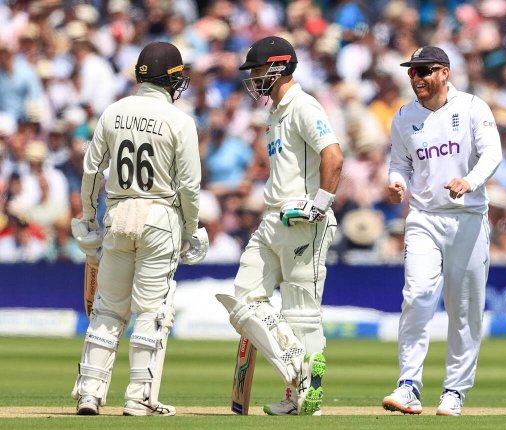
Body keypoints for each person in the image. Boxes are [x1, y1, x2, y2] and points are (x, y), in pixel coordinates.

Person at [70, 41, 206, 417]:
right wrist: (190, 230)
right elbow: (189, 187)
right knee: (151, 311)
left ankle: (89, 393)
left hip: (117, 214)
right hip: (160, 218)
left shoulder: (114, 112)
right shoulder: (180, 120)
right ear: (169, 79)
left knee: (108, 310)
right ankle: (139, 397)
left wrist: (87, 218)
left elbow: (92, 171)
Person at [216, 35, 343, 416]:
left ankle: (305, 397)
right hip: (273, 218)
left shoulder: (304, 105)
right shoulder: (275, 112)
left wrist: (319, 206)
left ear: (277, 67)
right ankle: (297, 370)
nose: (253, 78)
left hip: (304, 221)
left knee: (302, 311)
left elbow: (333, 157)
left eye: (256, 70)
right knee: (244, 299)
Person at [381, 46, 502, 416]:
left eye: (425, 71)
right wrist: (396, 182)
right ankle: (408, 386)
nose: (417, 78)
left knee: (464, 309)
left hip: (467, 218)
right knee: (417, 295)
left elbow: (492, 153)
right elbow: (399, 163)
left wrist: (468, 181)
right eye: (413, 72)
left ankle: (454, 392)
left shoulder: (471, 107)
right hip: (423, 217)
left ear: (445, 72)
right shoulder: (404, 116)